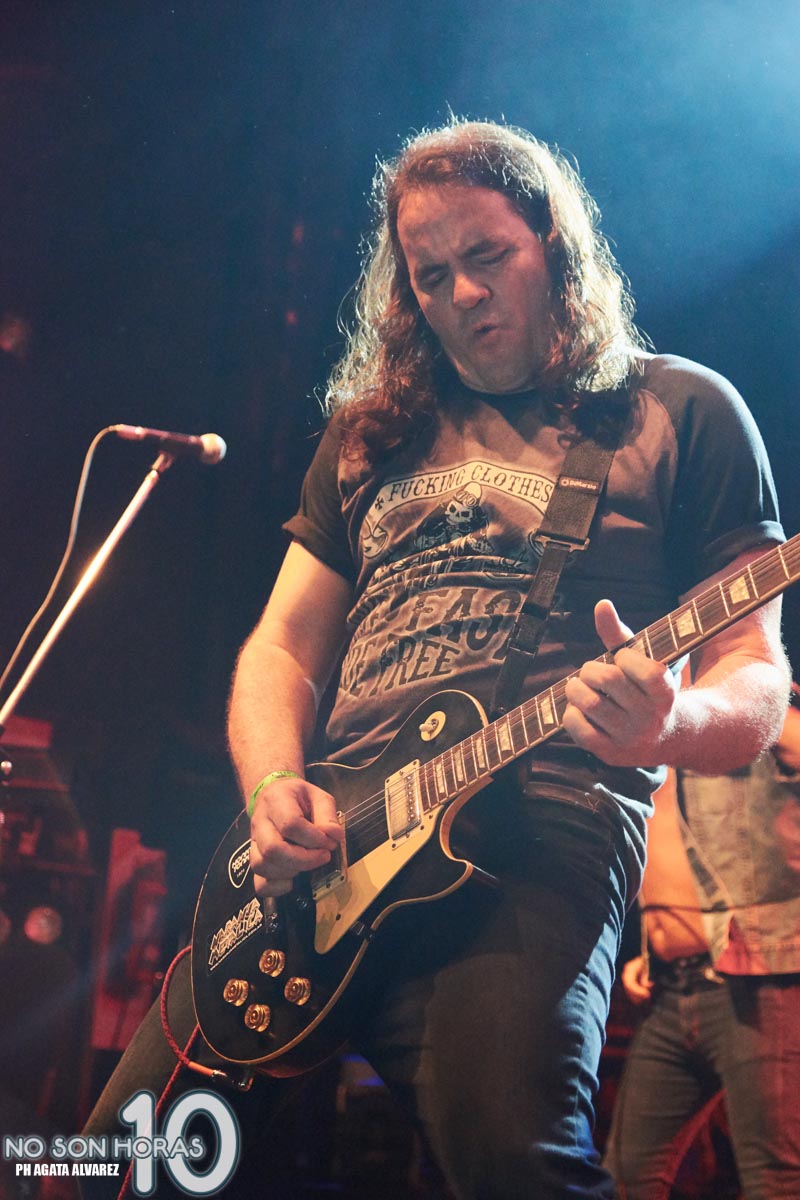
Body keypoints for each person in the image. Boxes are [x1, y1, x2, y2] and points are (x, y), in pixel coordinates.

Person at [83, 119, 789, 1200]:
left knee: (511, 1163)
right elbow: (280, 649)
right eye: (430, 275)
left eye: (487, 256)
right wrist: (271, 787)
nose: (462, 294)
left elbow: (752, 670)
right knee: (121, 1167)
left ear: (552, 243)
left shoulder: (676, 410)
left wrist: (668, 725)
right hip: (327, 852)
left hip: (539, 825)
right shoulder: (370, 437)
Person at [604, 689, 800, 1200]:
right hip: (671, 987)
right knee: (624, 1179)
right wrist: (652, 947)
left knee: (775, 1182)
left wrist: (753, 704)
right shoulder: (640, 730)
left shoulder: (741, 700)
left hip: (758, 979)